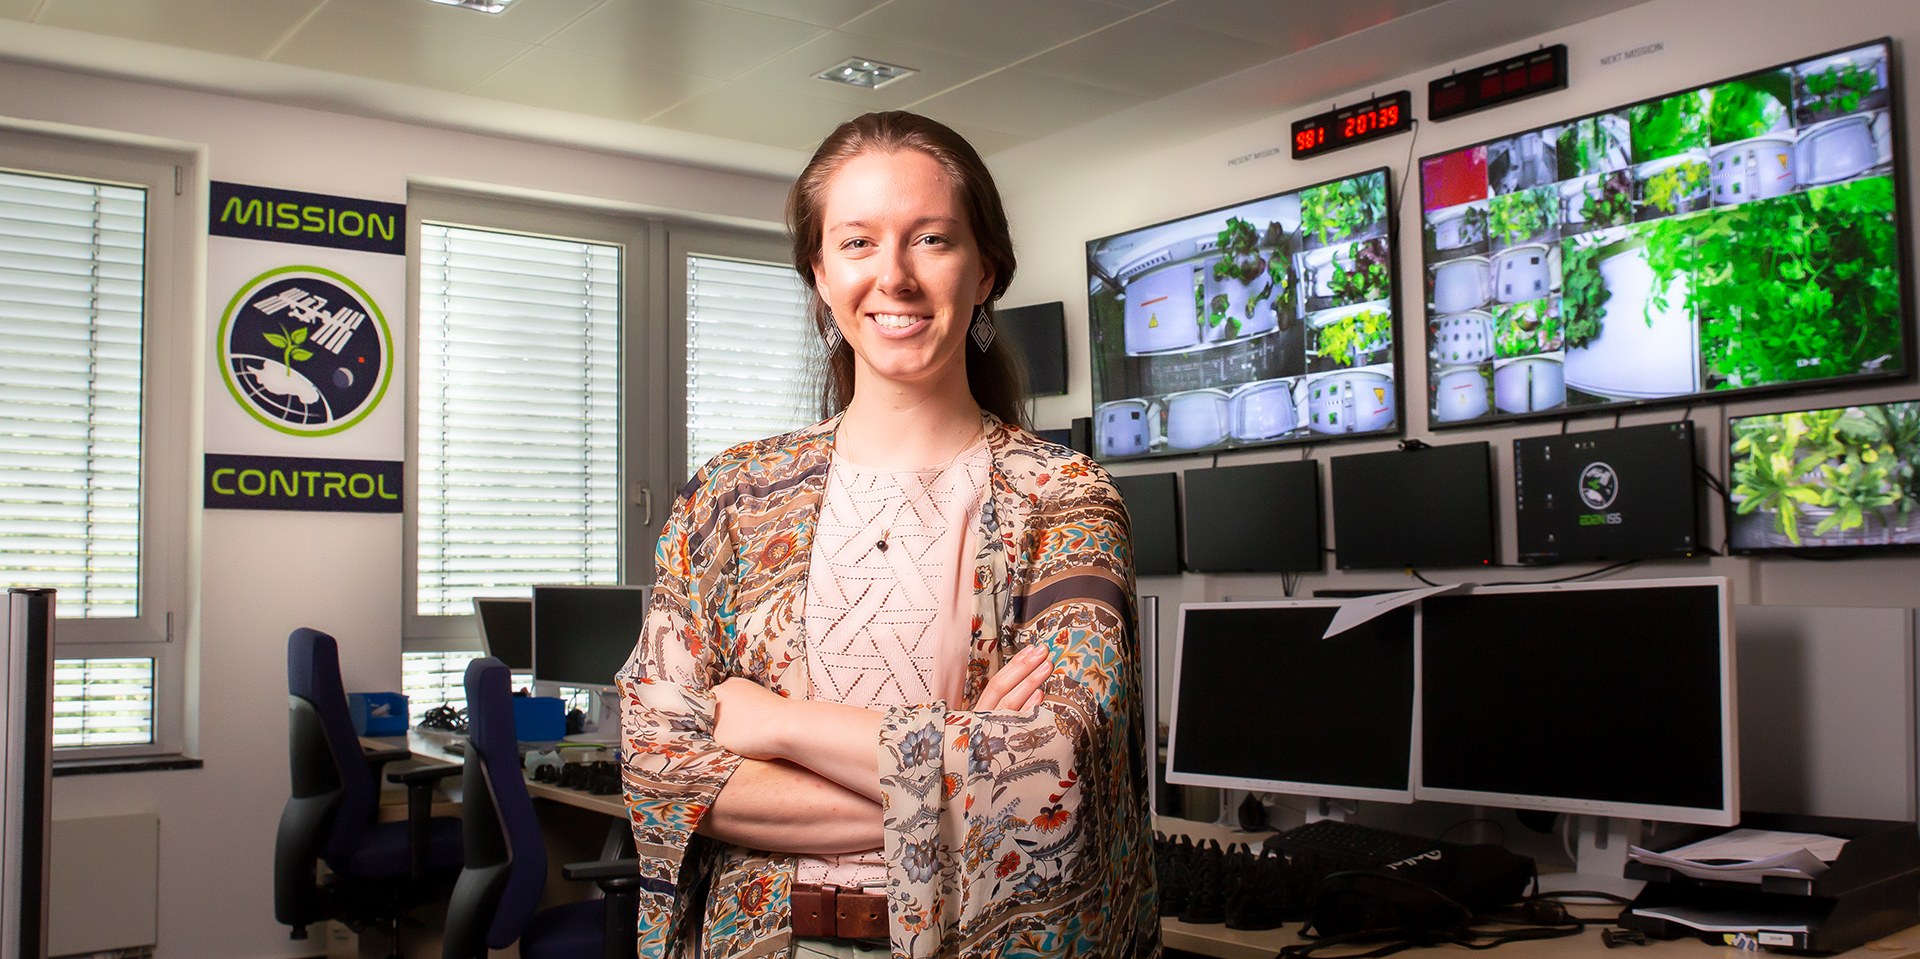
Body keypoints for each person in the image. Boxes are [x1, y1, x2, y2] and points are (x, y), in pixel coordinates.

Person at [618, 110, 1157, 959]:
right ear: (821, 275)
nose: (895, 276)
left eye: (932, 239)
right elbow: (657, 761)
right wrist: (961, 765)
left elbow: (1055, 764)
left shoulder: (1065, 498)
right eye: (858, 242)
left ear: (985, 272)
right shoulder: (729, 502)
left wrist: (776, 725)